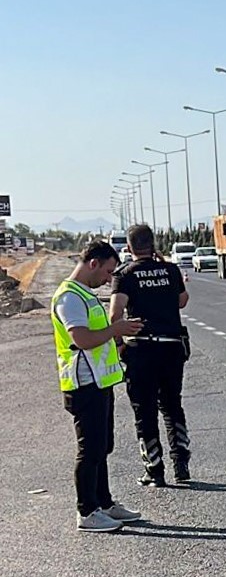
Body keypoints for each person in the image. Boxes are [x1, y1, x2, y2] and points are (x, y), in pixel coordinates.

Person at [51, 240, 145, 532]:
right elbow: (81, 339)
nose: (108, 279)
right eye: (107, 272)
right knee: (89, 450)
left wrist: (118, 337)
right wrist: (116, 330)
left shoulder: (85, 294)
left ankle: (104, 504)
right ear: (93, 263)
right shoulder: (69, 297)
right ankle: (87, 511)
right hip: (82, 384)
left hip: (98, 381)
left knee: (103, 447)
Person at [110, 224, 192, 487]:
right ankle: (181, 463)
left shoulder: (124, 274)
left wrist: (120, 344)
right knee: (171, 405)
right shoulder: (170, 269)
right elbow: (182, 300)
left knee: (144, 410)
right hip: (171, 347)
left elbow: (115, 314)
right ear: (153, 243)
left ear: (129, 247)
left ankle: (154, 469)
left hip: (142, 349)